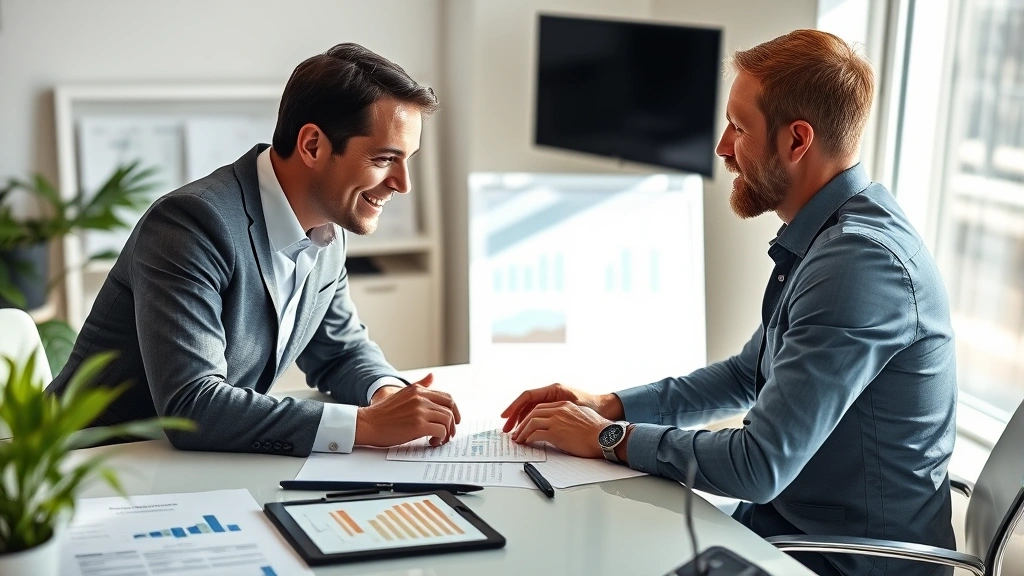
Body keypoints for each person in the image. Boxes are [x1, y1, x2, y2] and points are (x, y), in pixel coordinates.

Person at [502, 29, 956, 576]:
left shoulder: (859, 266)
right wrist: (608, 405)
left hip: (840, 562)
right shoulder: (833, 238)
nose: (722, 147)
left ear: (797, 141)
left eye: (739, 128)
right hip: (782, 530)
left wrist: (607, 438)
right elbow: (747, 374)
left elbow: (759, 464)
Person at [47, 43, 461, 457]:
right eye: (385, 158)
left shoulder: (327, 231)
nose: (402, 184)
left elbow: (340, 349)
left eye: (407, 160)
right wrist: (365, 425)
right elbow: (193, 405)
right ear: (313, 145)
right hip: (85, 468)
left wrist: (384, 394)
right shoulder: (190, 224)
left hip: (188, 467)